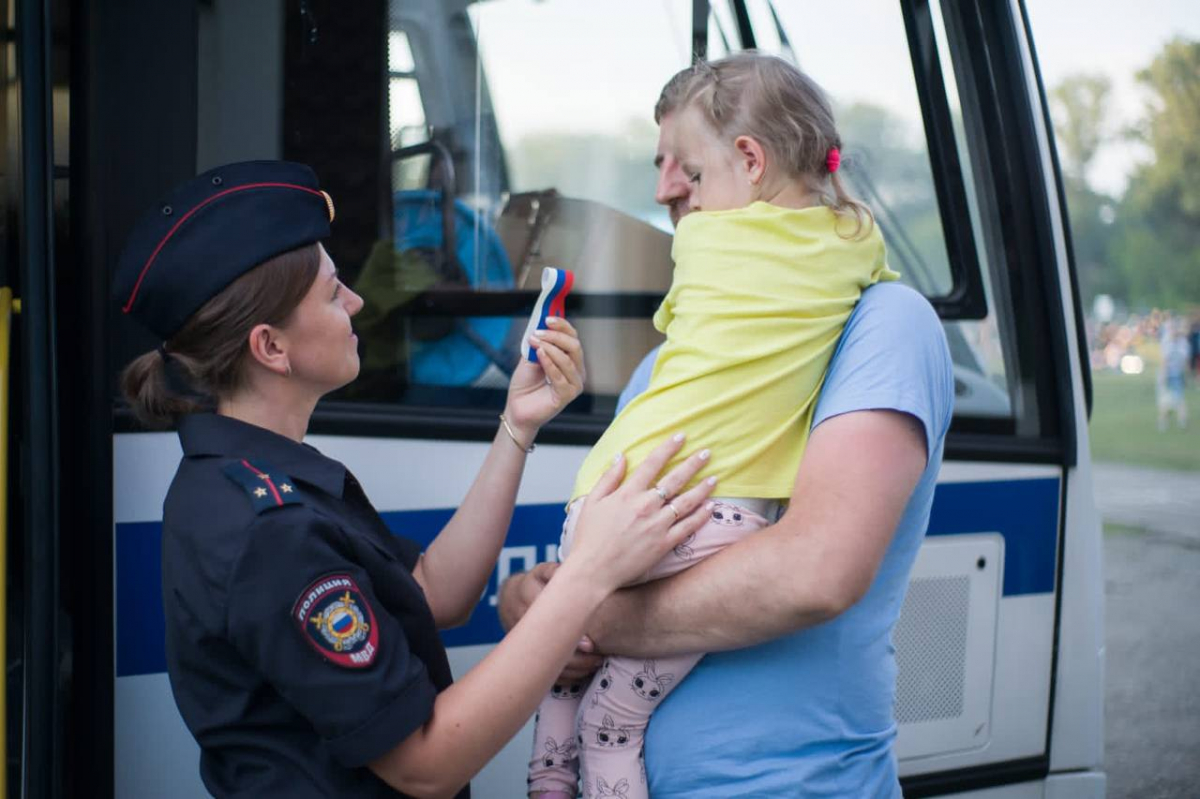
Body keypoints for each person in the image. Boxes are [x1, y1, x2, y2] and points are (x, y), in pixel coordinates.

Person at [114, 160, 720, 799]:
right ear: (270, 347)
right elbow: (425, 764)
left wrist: (516, 427)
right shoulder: (270, 530)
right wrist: (588, 575)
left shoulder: (254, 481)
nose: (356, 302)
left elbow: (433, 593)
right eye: (331, 292)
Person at [501, 55, 955, 796]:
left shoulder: (884, 322)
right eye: (658, 165)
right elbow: (631, 550)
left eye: (686, 165)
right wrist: (535, 598)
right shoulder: (669, 365)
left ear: (750, 161)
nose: (663, 190)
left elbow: (817, 572)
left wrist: (579, 612)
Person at [1157, 320, 1189, 431]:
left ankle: (1169, 422)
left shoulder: (1175, 343)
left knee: (1170, 400)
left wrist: (1163, 377)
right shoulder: (1181, 343)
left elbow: (1165, 362)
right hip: (1174, 374)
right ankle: (1177, 421)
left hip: (1173, 374)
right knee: (1174, 400)